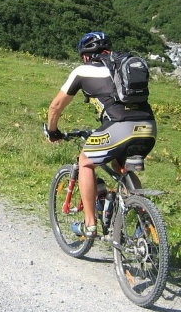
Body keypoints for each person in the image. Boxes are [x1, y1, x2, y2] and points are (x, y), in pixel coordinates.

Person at [45, 31, 157, 238]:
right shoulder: (122, 66)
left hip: (118, 127)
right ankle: (146, 222)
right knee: (120, 166)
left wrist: (52, 131)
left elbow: (55, 106)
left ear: (86, 55)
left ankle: (89, 225)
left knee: (86, 161)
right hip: (148, 127)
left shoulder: (82, 70)